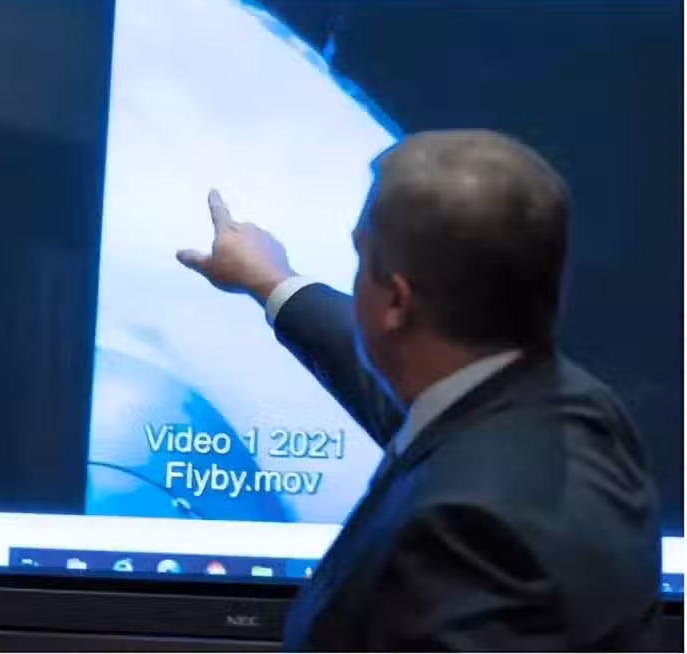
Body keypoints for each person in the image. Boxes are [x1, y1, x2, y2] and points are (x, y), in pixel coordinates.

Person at [177, 130, 661, 651]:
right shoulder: (581, 412)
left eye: (360, 259)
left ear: (396, 302)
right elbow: (425, 422)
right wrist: (274, 281)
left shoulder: (458, 538)